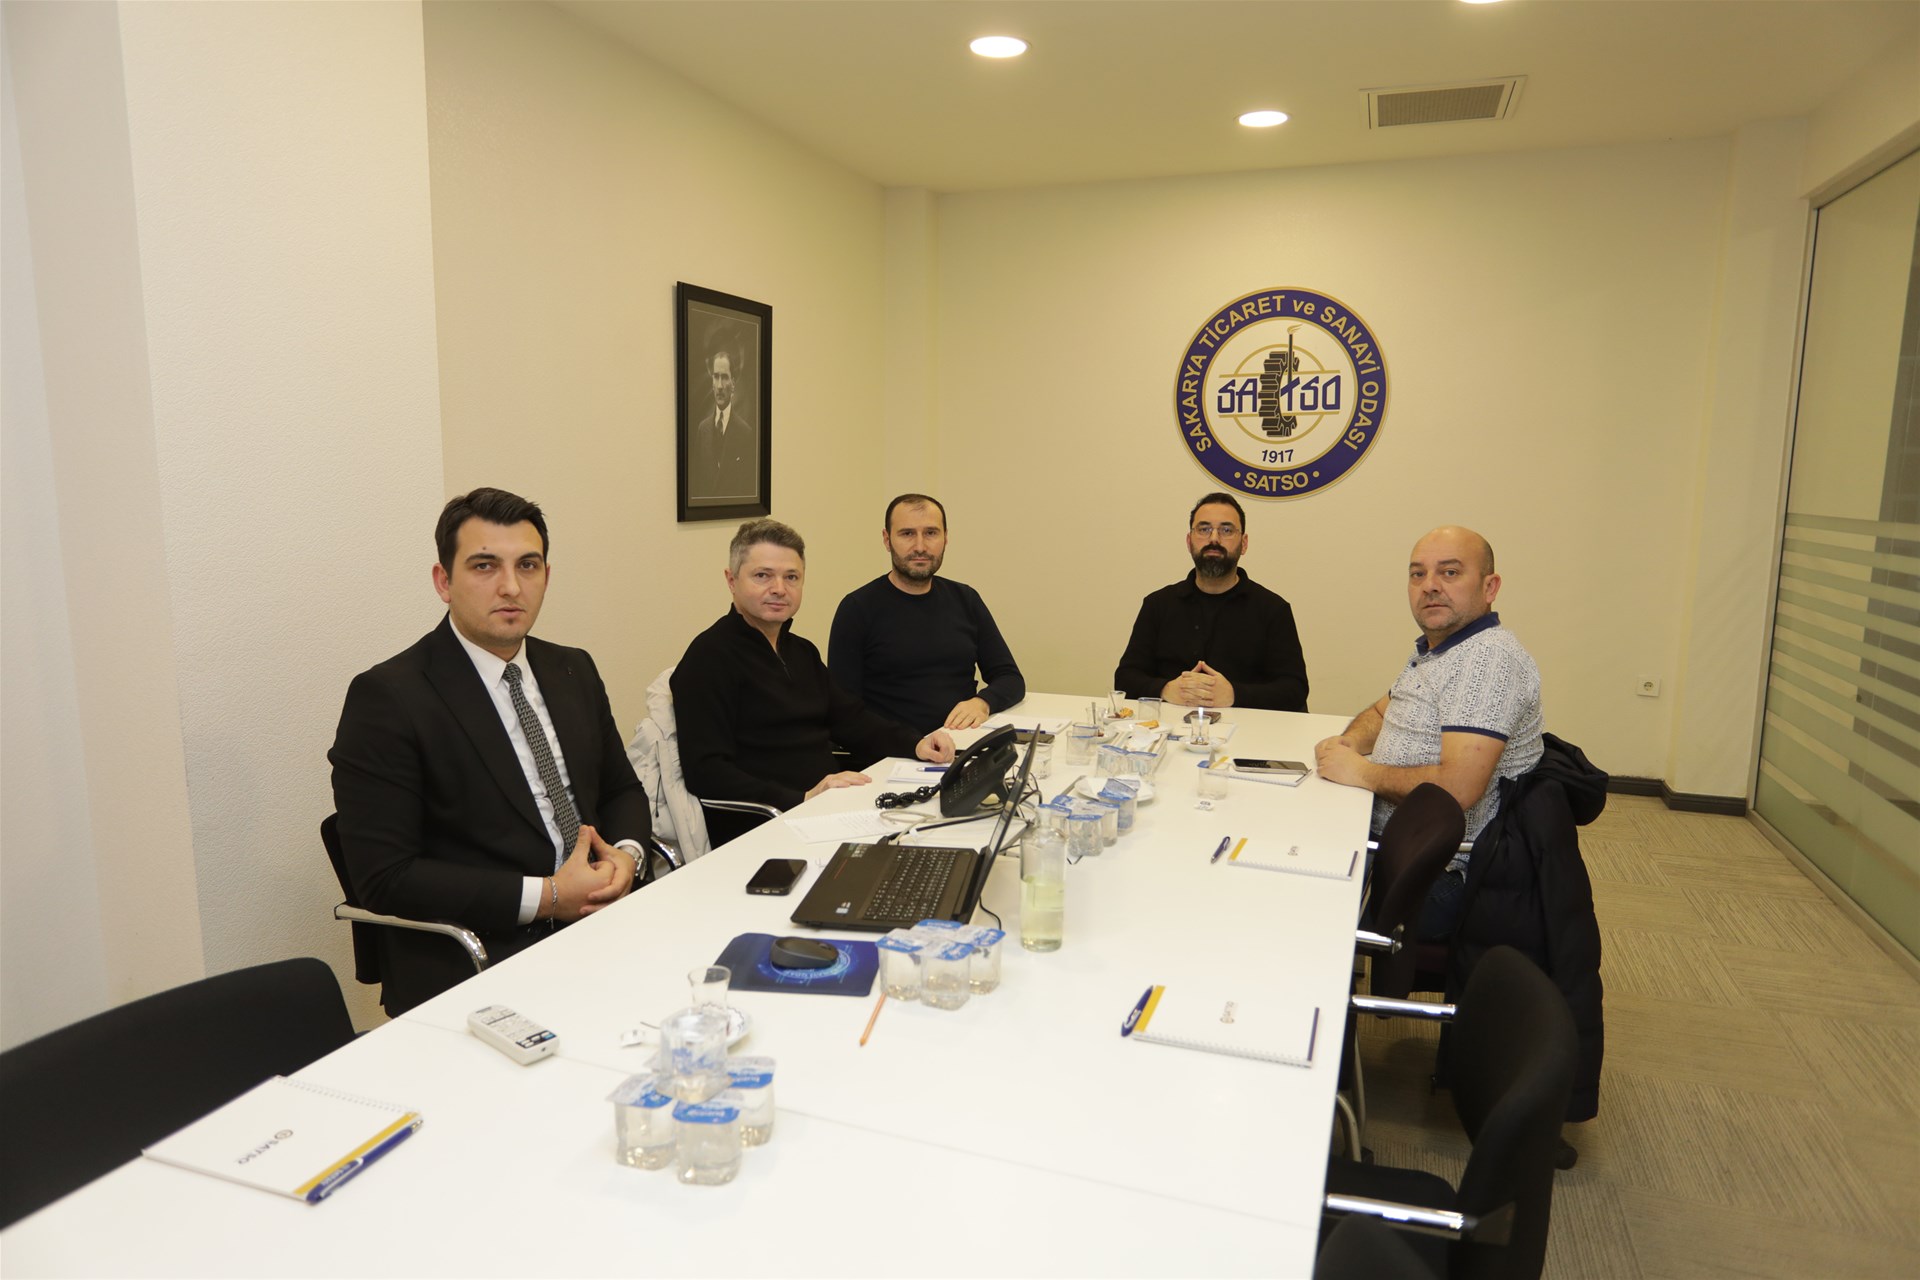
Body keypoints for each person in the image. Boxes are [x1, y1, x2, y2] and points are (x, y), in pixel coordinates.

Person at [330, 488, 652, 1015]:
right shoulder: (389, 697)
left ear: (546, 575)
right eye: (484, 566)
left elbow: (620, 789)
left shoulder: (572, 669)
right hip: (485, 953)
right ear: (443, 582)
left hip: (604, 924)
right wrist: (549, 896)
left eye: (528, 565)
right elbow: (386, 876)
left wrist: (626, 858)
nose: (511, 587)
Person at [1313, 525, 1543, 941]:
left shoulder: (1489, 659)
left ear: (1490, 587)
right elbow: (1384, 710)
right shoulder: (1439, 650)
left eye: (1450, 572)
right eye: (1418, 574)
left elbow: (1456, 789)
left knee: (1289, 898)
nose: (1430, 586)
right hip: (1392, 840)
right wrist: (1351, 743)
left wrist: (1360, 772)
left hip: (1439, 872)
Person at [673, 518, 955, 846]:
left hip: (827, 809)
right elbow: (706, 772)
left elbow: (851, 719)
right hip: (765, 825)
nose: (779, 588)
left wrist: (916, 743)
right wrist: (802, 798)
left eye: (791, 577)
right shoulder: (709, 657)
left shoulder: (800, 651)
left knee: (934, 835)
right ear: (731, 580)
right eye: (762, 575)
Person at [828, 493, 1025, 734]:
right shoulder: (857, 609)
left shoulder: (966, 599)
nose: (920, 547)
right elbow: (844, 711)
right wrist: (915, 745)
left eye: (931, 533)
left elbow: (1010, 678)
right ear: (887, 540)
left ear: (945, 538)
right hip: (893, 750)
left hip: (963, 742)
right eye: (907, 534)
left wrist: (982, 703)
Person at [1113, 492, 1309, 711]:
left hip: (1249, 728)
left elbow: (1295, 689)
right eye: (1204, 529)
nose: (1214, 539)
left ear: (1244, 543)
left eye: (1226, 530)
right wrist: (1165, 689)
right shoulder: (1157, 605)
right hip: (1168, 727)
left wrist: (1234, 694)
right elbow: (1125, 678)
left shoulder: (1273, 609)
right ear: (1189, 541)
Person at [688, 347, 756, 501]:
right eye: (716, 377)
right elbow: (697, 485)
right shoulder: (702, 430)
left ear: (733, 383)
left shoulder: (745, 433)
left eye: (724, 377)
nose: (719, 385)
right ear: (712, 382)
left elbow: (747, 488)